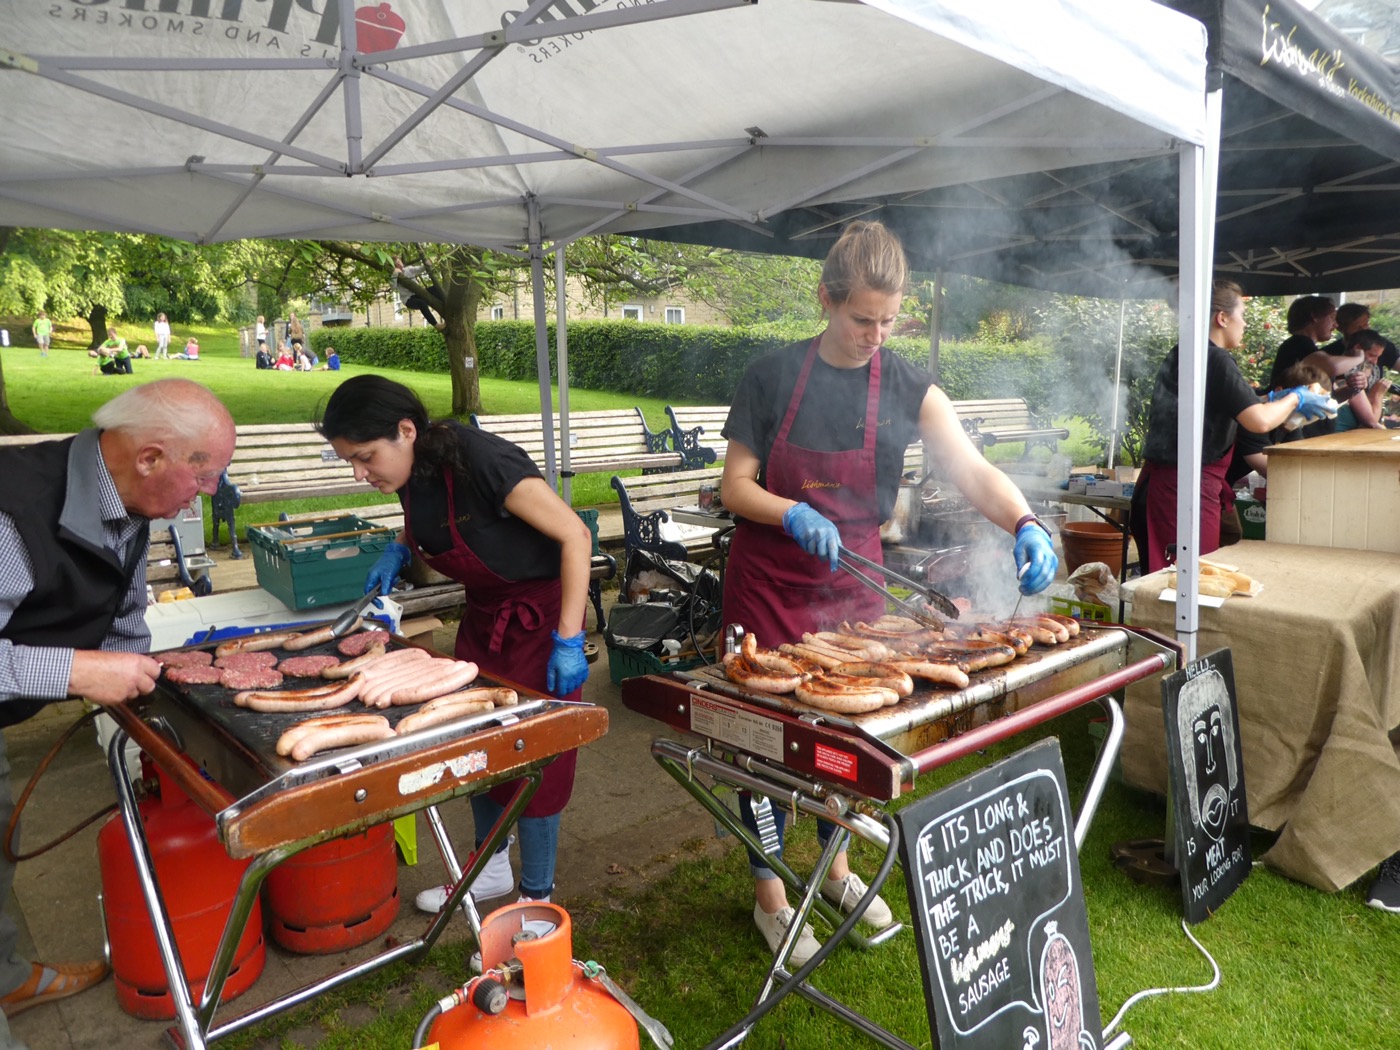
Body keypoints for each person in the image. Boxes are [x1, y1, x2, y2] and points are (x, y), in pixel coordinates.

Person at [718, 220, 1058, 966]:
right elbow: (734, 486)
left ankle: (834, 870)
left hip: (853, 577)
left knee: (850, 735)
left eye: (888, 318)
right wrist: (790, 510)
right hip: (770, 579)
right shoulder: (771, 376)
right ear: (826, 300)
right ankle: (771, 895)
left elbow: (972, 471)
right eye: (861, 318)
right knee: (763, 743)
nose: (876, 333)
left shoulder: (905, 383)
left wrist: (1025, 521)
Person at [0, 379, 235, 1039]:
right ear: (151, 458)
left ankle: (8, 977)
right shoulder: (12, 512)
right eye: (205, 471)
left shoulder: (130, 503)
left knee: (2, 840)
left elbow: (124, 619)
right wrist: (75, 671)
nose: (213, 489)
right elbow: (88, 661)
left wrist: (155, 705)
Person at [317, 376, 593, 919]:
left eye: (366, 457)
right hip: (485, 618)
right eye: (350, 460)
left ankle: (538, 899)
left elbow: (575, 536)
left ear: (406, 430)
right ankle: (488, 867)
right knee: (477, 744)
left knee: (539, 755)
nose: (359, 473)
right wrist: (398, 549)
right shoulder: (408, 467)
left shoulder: (484, 461)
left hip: (543, 620)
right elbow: (424, 518)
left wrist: (569, 637)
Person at [1131, 281, 1332, 574]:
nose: (1246, 322)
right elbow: (1259, 420)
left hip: (1174, 485)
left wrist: (1271, 398)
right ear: (1222, 318)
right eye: (1243, 313)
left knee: (1180, 582)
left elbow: (1239, 404)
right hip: (1183, 491)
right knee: (1184, 585)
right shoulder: (1214, 359)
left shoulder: (1189, 352)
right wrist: (1296, 396)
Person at [1334, 330, 1392, 432]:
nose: (1375, 362)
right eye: (1372, 355)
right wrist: (1378, 394)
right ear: (1358, 349)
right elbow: (1372, 422)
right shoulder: (1348, 376)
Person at [393, 256, 447, 331]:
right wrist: (395, 274)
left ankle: (447, 309)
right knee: (421, 303)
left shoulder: (409, 269)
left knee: (436, 289)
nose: (399, 264)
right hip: (409, 299)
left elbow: (420, 269)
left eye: (399, 262)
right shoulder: (394, 276)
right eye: (396, 264)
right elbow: (392, 286)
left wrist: (427, 264)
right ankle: (436, 325)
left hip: (418, 293)